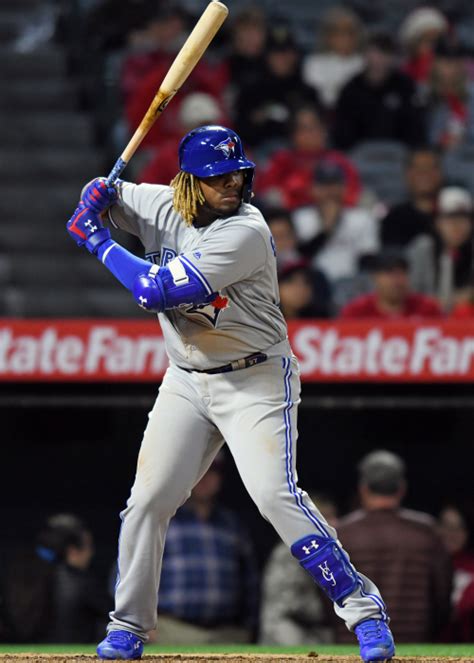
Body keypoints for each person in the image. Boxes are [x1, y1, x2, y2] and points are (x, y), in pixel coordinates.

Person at [66, 125, 395, 661]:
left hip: (255, 378)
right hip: (187, 377)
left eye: (237, 175)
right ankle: (127, 627)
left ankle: (363, 609)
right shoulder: (158, 204)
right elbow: (105, 195)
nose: (232, 184)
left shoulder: (245, 231)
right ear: (188, 182)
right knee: (147, 501)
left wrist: (98, 240)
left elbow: (155, 291)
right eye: (218, 177)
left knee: (274, 496)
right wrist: (95, 193)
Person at [336, 451, 452, 643]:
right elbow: (443, 596)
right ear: (401, 488)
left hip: (356, 642)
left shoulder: (341, 534)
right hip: (415, 642)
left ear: (363, 489)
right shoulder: (426, 533)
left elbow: (328, 594)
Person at [154, 454, 258, 644]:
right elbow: (129, 574)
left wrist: (249, 626)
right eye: (198, 470)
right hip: (170, 629)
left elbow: (250, 581)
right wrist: (139, 624)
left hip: (227, 633)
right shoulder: (161, 520)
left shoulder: (232, 524)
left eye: (212, 471)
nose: (204, 477)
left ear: (220, 478)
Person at [2, 514, 106, 643]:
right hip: (62, 648)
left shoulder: (26, 570)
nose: (91, 553)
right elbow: (118, 616)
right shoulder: (78, 582)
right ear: (72, 550)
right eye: (88, 547)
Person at [259, 495, 338, 645]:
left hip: (313, 631)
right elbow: (289, 602)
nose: (334, 523)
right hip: (285, 630)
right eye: (326, 518)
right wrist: (331, 608)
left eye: (334, 517)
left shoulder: (322, 550)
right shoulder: (290, 551)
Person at [332, 32, 426, 150]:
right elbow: (342, 130)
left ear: (392, 57)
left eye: (385, 53)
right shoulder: (351, 89)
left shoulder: (405, 86)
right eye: (374, 52)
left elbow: (415, 127)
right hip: (359, 152)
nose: (379, 58)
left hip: (399, 151)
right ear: (365, 54)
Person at [291, 159, 378, 284]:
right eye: (324, 186)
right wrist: (326, 229)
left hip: (352, 284)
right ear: (312, 189)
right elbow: (299, 258)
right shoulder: (300, 218)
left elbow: (368, 260)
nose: (330, 191)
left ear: (344, 188)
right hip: (311, 285)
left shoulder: (362, 218)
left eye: (334, 185)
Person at [258, 106, 361, 210]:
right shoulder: (282, 160)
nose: (310, 134)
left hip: (335, 213)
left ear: (324, 130)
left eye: (314, 128)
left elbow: (353, 193)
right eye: (304, 129)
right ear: (293, 134)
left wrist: (329, 195)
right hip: (291, 214)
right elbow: (265, 191)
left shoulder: (339, 160)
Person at [235, 26, 320, 149]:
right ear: (267, 56)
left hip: (298, 152)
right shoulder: (250, 91)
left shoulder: (308, 92)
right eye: (276, 53)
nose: (281, 59)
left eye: (286, 53)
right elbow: (240, 130)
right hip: (258, 151)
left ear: (295, 56)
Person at [407, 186, 473, 312]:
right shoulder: (422, 248)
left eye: (464, 218)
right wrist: (455, 299)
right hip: (427, 318)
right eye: (449, 218)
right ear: (437, 222)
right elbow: (411, 296)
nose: (457, 225)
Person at [340, 252, 442, 319]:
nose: (397, 281)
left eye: (402, 273)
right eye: (390, 273)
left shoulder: (427, 309)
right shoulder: (356, 312)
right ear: (375, 278)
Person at [302, 6, 365, 110]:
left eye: (350, 32)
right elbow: (318, 97)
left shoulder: (365, 63)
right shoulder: (314, 63)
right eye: (338, 32)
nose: (345, 38)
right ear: (328, 37)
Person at [380, 147, 444, 248]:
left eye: (431, 167)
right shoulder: (393, 220)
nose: (424, 173)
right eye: (417, 168)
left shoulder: (454, 215)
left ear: (440, 174)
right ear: (407, 174)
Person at [423, 37, 474, 151]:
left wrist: (463, 140)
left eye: (456, 62)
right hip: (431, 155)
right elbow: (420, 133)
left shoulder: (471, 94)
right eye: (446, 62)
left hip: (467, 154)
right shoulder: (424, 94)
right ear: (435, 63)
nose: (452, 68)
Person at [438, 505, 474, 642]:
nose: (451, 533)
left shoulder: (471, 568)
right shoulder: (423, 565)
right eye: (445, 525)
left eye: (459, 527)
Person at [399, 7, 449, 84]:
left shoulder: (444, 65)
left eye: (435, 40)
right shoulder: (405, 69)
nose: (431, 46)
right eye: (426, 40)